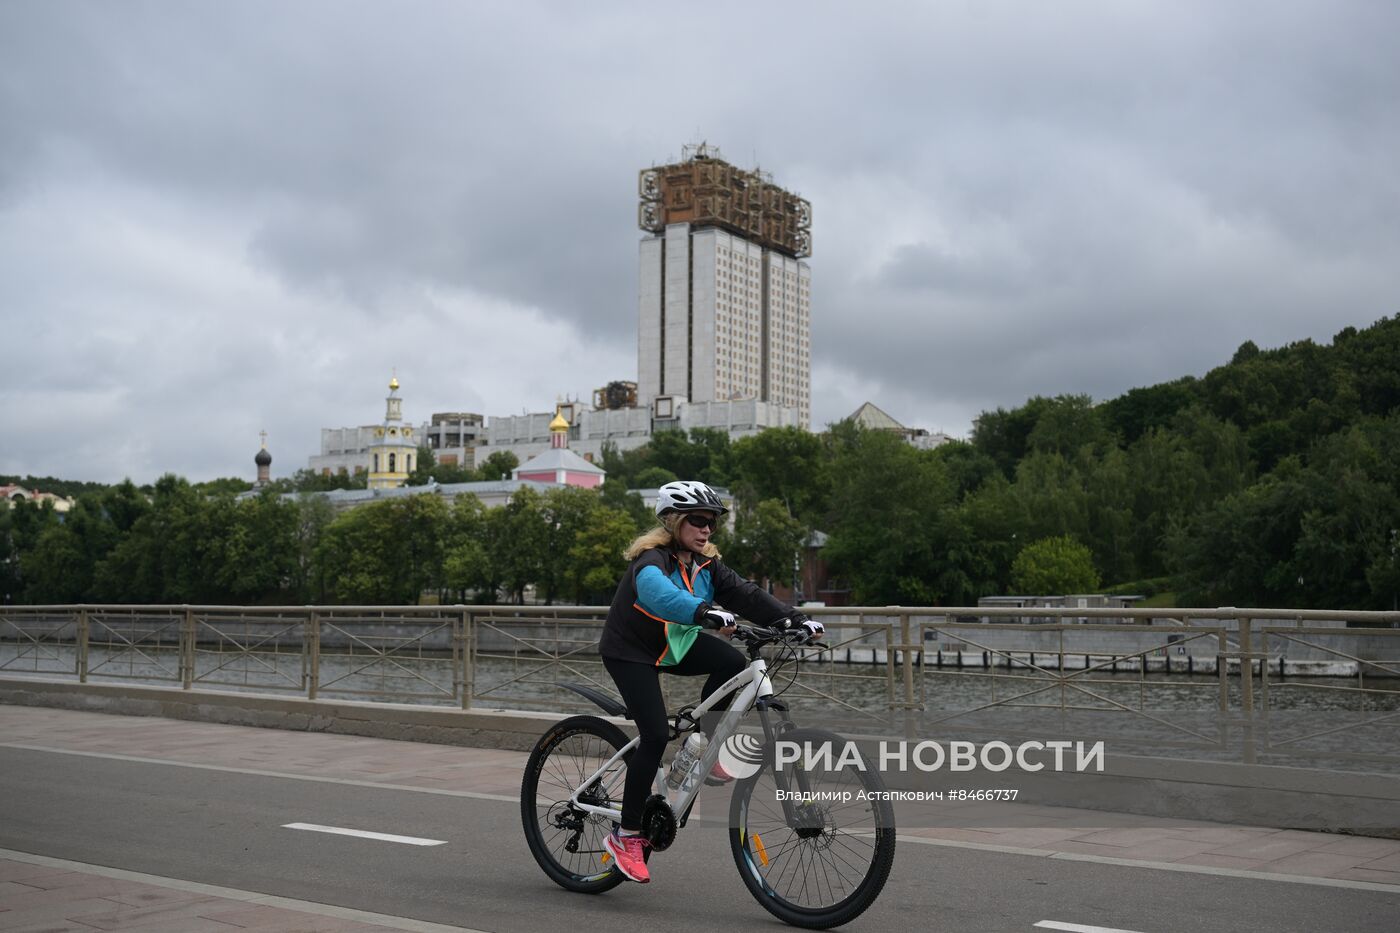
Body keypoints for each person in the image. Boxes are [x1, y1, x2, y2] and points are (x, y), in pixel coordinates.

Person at [597, 480, 824, 883]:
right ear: (673, 521)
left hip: (673, 645)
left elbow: (748, 596)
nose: (706, 530)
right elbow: (655, 594)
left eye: (712, 524)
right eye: (698, 521)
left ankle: (701, 744)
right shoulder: (653, 559)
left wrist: (795, 619)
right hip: (630, 650)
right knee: (652, 736)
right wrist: (702, 611)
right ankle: (626, 835)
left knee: (735, 663)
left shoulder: (706, 565)